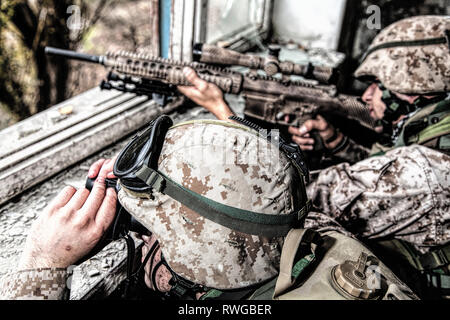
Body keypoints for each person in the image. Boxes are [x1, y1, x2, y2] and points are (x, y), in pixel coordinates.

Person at [177, 15, 450, 298]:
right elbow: (385, 167)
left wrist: (223, 113)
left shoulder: (425, 171)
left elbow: (285, 202)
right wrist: (333, 138)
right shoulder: (438, 134)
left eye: (378, 84)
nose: (367, 95)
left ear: (414, 88)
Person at [0, 117, 416, 300]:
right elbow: (237, 198)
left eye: (155, 237)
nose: (148, 241)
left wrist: (42, 262)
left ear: (199, 265)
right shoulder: (304, 229)